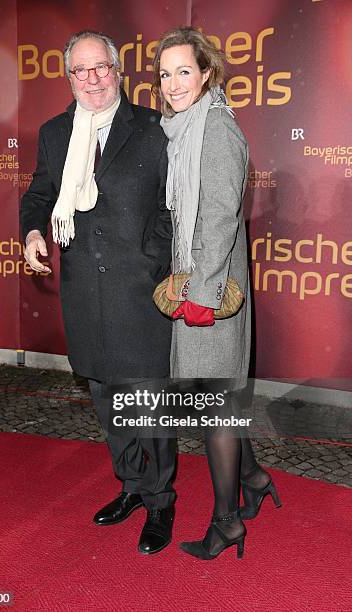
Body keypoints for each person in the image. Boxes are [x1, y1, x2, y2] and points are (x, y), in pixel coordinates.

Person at [21, 30, 177, 555]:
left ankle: (161, 501)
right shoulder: (54, 132)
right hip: (85, 290)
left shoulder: (157, 128)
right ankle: (132, 486)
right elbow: (40, 191)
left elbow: (176, 205)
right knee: (108, 402)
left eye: (100, 68)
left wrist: (153, 257)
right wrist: (34, 230)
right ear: (68, 78)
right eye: (79, 71)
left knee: (148, 404)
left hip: (141, 291)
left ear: (118, 70)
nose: (91, 80)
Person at [152, 26, 281, 560]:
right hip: (198, 281)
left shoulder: (218, 130)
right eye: (164, 73)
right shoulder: (182, 129)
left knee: (214, 410)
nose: (173, 83)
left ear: (207, 74)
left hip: (212, 291)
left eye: (184, 71)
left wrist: (201, 295)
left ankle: (227, 522)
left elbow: (223, 217)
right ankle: (251, 479)